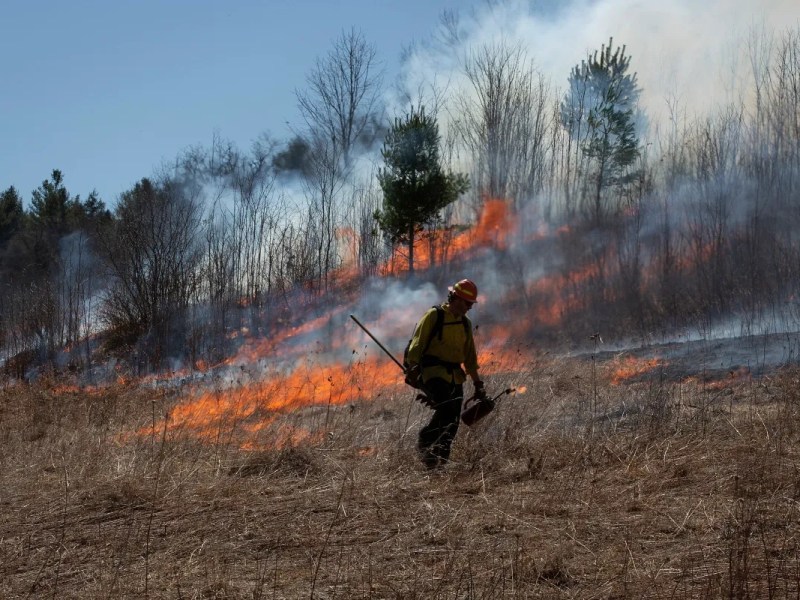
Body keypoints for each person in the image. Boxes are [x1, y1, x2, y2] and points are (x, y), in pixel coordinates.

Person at [404, 279, 487, 469]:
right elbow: (418, 343)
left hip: (455, 375)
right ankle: (426, 440)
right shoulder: (434, 316)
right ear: (455, 298)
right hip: (432, 372)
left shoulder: (465, 323)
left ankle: (440, 460)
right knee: (446, 409)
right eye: (466, 303)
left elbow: (470, 358)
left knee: (454, 420)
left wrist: (478, 384)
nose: (468, 308)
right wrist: (412, 367)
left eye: (470, 305)